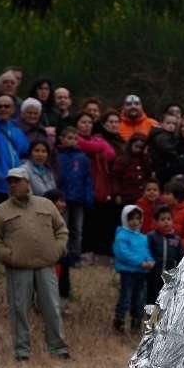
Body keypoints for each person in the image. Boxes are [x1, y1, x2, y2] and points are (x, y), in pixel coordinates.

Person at [0, 166, 69, 360]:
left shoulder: (46, 205)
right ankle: (22, 351)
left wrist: (57, 249)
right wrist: (8, 256)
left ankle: (58, 349)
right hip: (19, 268)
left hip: (46, 265)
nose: (13, 185)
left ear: (27, 183)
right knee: (19, 310)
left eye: (17, 181)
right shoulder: (0, 211)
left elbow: (62, 230)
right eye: (10, 182)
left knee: (52, 308)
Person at [75, 112, 115, 261]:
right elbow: (88, 147)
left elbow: (110, 153)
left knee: (96, 220)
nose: (86, 126)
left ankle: (95, 250)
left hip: (97, 184)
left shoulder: (96, 139)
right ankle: (82, 251)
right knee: (82, 222)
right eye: (83, 122)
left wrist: (98, 144)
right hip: (80, 185)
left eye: (89, 123)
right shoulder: (76, 139)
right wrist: (100, 144)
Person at [112, 205, 154, 333]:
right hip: (128, 272)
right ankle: (119, 322)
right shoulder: (122, 236)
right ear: (125, 219)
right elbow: (123, 253)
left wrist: (151, 261)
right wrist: (140, 263)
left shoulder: (142, 237)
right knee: (125, 297)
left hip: (141, 273)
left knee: (139, 298)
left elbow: (146, 252)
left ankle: (136, 324)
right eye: (132, 218)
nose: (135, 221)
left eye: (138, 218)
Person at [56, 127, 93, 266]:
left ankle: (76, 255)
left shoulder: (82, 158)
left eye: (75, 138)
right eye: (69, 138)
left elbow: (88, 179)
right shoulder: (58, 156)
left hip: (78, 198)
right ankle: (63, 255)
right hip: (62, 198)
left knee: (77, 228)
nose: (72, 141)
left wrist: (88, 197)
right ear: (62, 139)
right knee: (62, 227)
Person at [0, 94, 29, 211]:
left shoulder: (18, 131)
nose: (3, 109)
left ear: (13, 109)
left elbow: (24, 153)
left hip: (17, 184)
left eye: (6, 106)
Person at [146, 205, 184, 304]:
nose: (166, 222)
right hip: (154, 274)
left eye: (168, 219)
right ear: (156, 221)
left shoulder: (176, 239)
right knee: (152, 296)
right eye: (162, 219)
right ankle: (152, 317)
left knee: (167, 297)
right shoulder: (151, 236)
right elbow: (146, 252)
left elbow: (180, 256)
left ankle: (163, 317)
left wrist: (180, 271)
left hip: (169, 275)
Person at [43, 189, 72, 299]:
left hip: (61, 259)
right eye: (60, 201)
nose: (64, 204)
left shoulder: (60, 219)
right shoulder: (45, 221)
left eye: (64, 201)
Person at [160, 178, 184, 250]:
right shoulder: (161, 210)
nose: (164, 196)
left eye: (167, 194)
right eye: (164, 193)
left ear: (177, 196)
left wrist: (175, 247)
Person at [148, 113, 180, 183]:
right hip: (159, 167)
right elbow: (167, 150)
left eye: (174, 124)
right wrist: (177, 156)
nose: (171, 126)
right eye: (168, 123)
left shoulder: (170, 136)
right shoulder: (161, 136)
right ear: (161, 124)